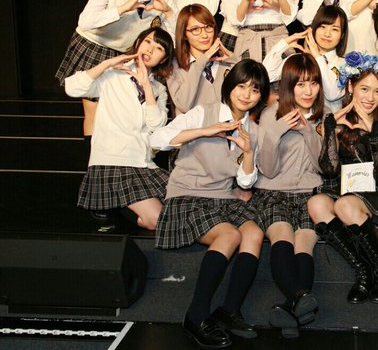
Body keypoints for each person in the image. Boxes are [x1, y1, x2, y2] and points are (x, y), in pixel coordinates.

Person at [149, 59, 270, 348]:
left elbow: (245, 182)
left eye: (255, 90)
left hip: (222, 197)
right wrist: (206, 130)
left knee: (254, 232)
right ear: (229, 86)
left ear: (261, 96)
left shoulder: (254, 131)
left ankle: (229, 310)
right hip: (187, 195)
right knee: (230, 235)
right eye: (241, 86)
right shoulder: (203, 113)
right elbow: (157, 139)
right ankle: (196, 315)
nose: (246, 94)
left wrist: (248, 152)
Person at [56, 0, 177, 151]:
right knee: (94, 110)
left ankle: (122, 156)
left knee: (122, 110)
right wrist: (122, 8)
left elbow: (171, 38)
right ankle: (94, 161)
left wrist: (168, 12)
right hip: (94, 44)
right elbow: (85, 20)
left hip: (127, 52)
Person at [307, 53, 378, 304]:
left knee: (344, 204)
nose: (370, 97)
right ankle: (363, 269)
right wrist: (331, 130)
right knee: (316, 203)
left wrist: (372, 134)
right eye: (364, 89)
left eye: (377, 91)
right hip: (349, 191)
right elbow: (329, 169)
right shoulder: (338, 122)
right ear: (351, 87)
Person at [64, 27, 174, 230]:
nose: (150, 49)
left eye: (159, 48)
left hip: (144, 163)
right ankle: (115, 206)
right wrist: (107, 64)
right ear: (138, 42)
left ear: (164, 59)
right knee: (157, 220)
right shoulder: (111, 75)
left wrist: (147, 87)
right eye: (148, 41)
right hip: (114, 162)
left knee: (182, 204)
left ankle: (116, 206)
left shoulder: (158, 89)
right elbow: (72, 87)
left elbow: (156, 126)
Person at [250, 53, 325, 338]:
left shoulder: (322, 116)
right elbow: (267, 170)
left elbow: (322, 166)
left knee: (304, 242)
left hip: (309, 193)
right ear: (288, 85)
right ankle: (300, 301)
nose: (308, 91)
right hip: (273, 192)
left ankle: (292, 308)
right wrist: (276, 132)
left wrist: (308, 132)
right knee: (282, 235)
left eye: (314, 83)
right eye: (301, 84)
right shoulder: (271, 114)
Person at [264, 5, 349, 112]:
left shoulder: (346, 65)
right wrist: (284, 43)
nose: (327, 34)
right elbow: (267, 76)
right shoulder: (300, 60)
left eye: (334, 29)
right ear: (313, 29)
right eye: (322, 27)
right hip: (296, 120)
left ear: (342, 35)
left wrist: (317, 57)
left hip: (330, 120)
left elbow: (331, 94)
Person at [168, 4, 233, 115]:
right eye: (195, 29)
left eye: (208, 27)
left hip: (229, 125)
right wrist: (202, 61)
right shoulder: (174, 66)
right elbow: (183, 105)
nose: (204, 35)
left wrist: (234, 61)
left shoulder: (226, 59)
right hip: (194, 126)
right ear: (184, 34)